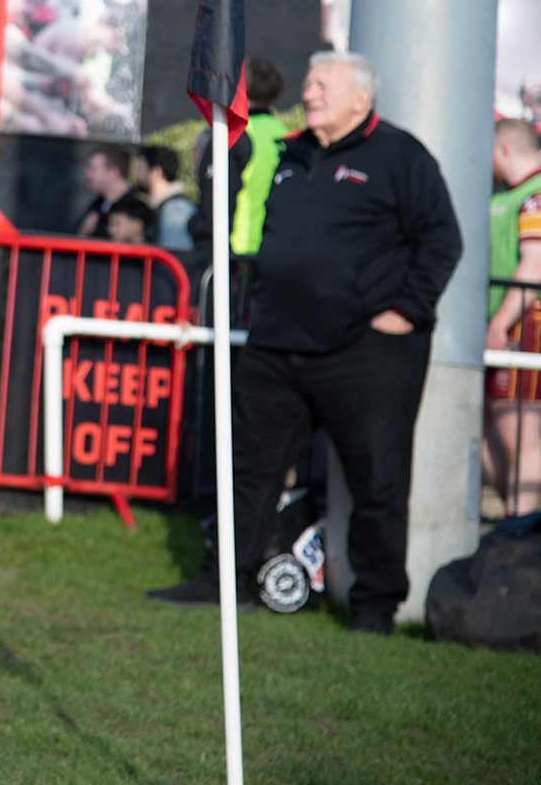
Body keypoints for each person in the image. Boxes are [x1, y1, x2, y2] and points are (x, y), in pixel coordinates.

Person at [148, 52, 462, 633]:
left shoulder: (400, 155)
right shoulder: (290, 153)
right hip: (278, 345)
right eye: (310, 81)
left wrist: (407, 311)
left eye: (322, 84)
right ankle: (226, 581)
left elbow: (442, 240)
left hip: (368, 352)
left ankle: (374, 608)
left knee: (377, 477)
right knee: (247, 467)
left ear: (360, 99)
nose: (309, 91)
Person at [484, 116, 541, 516]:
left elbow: (535, 265)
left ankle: (521, 530)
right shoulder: (506, 195)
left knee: (519, 430)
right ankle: (515, 524)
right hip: (500, 324)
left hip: (528, 322)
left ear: (504, 149)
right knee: (487, 433)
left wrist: (500, 322)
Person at [190, 55, 287, 254]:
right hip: (271, 249)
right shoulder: (284, 134)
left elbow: (214, 205)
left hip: (235, 252)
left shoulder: (233, 134)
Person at [137, 144, 196, 252]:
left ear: (156, 172)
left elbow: (175, 255)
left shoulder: (176, 210)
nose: (135, 174)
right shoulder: (163, 208)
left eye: (140, 168)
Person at [74, 145, 136, 238]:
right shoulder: (97, 205)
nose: (88, 174)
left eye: (93, 169)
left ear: (113, 172)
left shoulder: (134, 208)